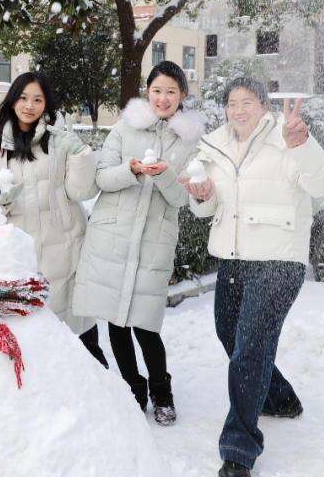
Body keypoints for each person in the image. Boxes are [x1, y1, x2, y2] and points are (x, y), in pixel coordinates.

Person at [183, 77, 324, 477]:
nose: (239, 110)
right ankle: (280, 399)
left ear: (263, 105)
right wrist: (200, 196)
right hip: (234, 260)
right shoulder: (214, 146)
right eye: (232, 102)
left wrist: (302, 144)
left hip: (278, 260)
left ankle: (238, 450)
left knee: (250, 347)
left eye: (247, 101)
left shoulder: (284, 140)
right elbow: (206, 209)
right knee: (230, 335)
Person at [72, 61, 205, 426]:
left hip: (153, 241)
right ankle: (134, 388)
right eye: (157, 90)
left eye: (171, 91)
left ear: (182, 96)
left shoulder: (191, 142)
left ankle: (162, 392)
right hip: (112, 236)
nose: (163, 98)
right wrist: (131, 171)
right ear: (147, 92)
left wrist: (162, 176)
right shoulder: (123, 128)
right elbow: (101, 177)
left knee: (147, 325)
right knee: (116, 322)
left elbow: (182, 199)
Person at [0, 72, 107, 366]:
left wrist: (81, 155)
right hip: (22, 257)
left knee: (84, 345)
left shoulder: (60, 142)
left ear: (46, 105)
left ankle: (106, 405)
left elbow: (82, 190)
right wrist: (0, 198)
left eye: (38, 99)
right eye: (23, 98)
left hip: (66, 247)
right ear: (12, 102)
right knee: (35, 344)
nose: (29, 105)